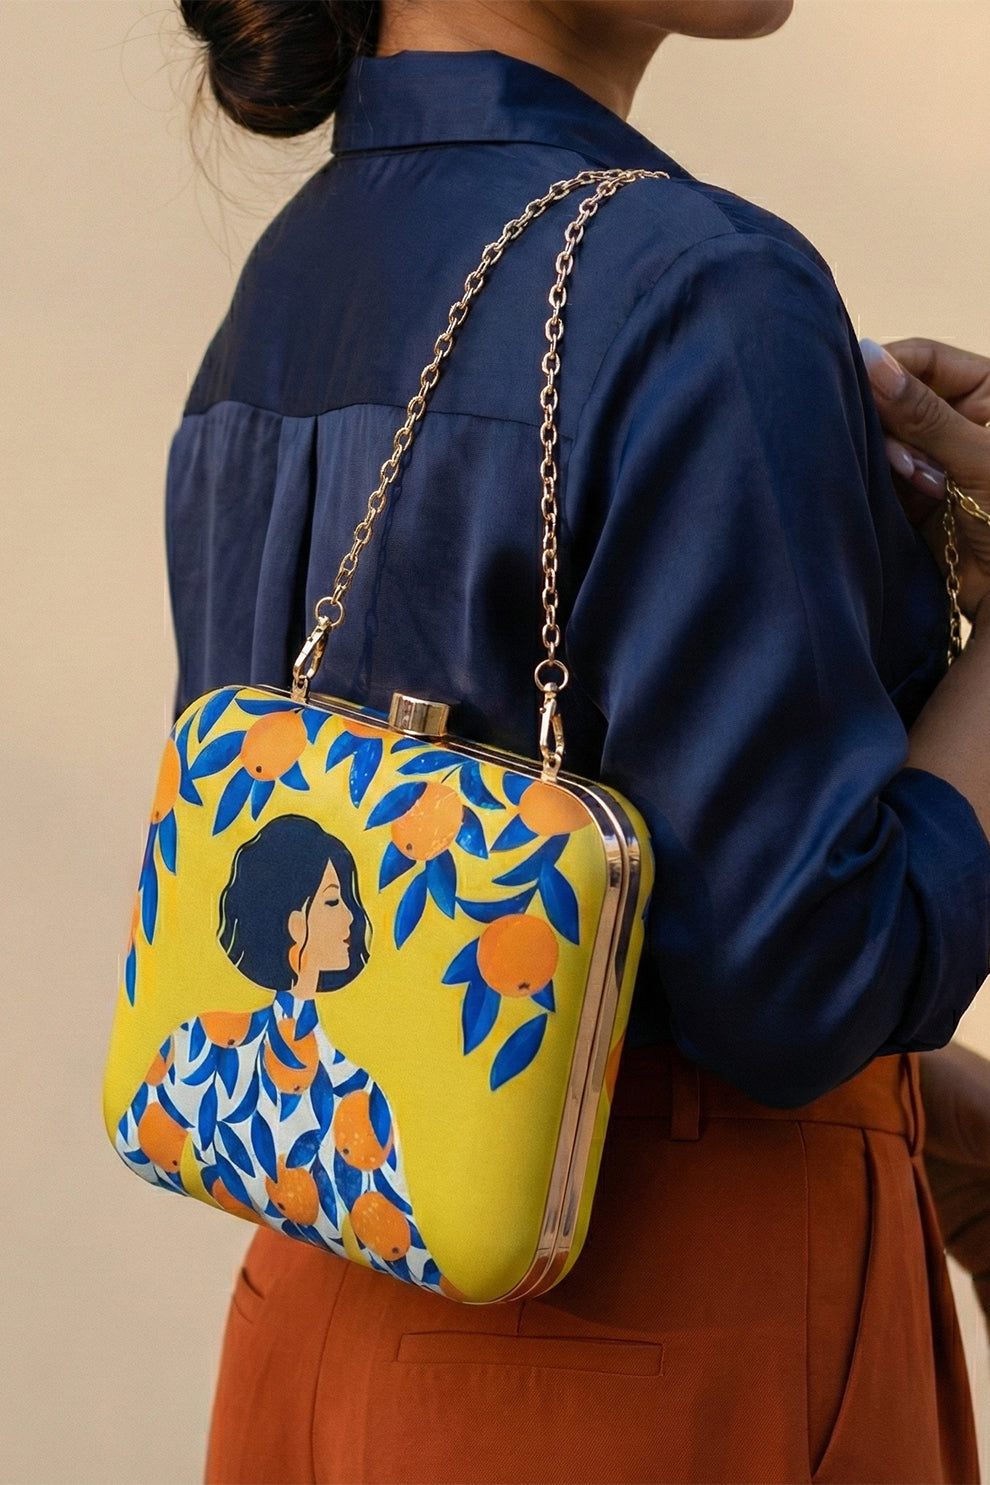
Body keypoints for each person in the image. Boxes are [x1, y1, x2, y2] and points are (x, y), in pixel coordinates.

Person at [158, 2, 990, 1480]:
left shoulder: (281, 288)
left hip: (320, 1302)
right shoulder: (699, 288)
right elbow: (800, 986)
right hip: (662, 1351)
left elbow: (357, 949)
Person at [113, 813, 444, 1284]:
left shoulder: (356, 1091)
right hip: (299, 1281)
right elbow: (142, 1140)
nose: (351, 917)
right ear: (293, 922)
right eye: (333, 901)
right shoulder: (206, 1045)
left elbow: (403, 1238)